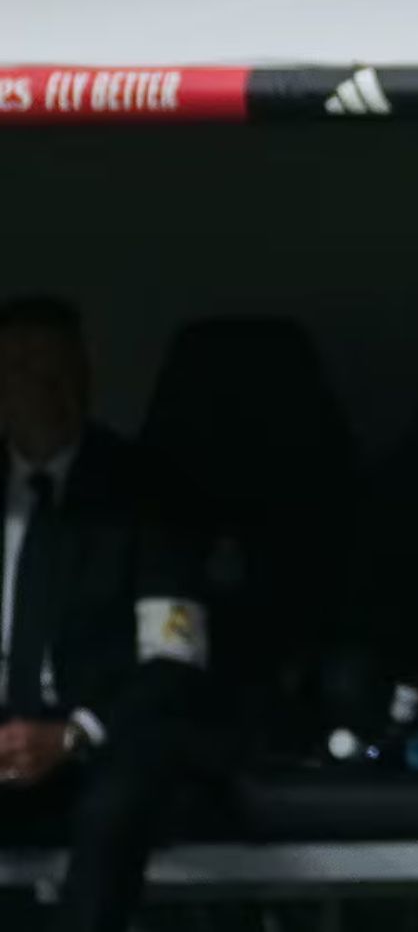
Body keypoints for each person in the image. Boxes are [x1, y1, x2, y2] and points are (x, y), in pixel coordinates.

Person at [0, 297, 211, 932]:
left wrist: (72, 735)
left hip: (105, 736)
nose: (47, 389)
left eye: (61, 370)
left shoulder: (146, 492)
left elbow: (175, 658)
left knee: (114, 809)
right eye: (25, 370)